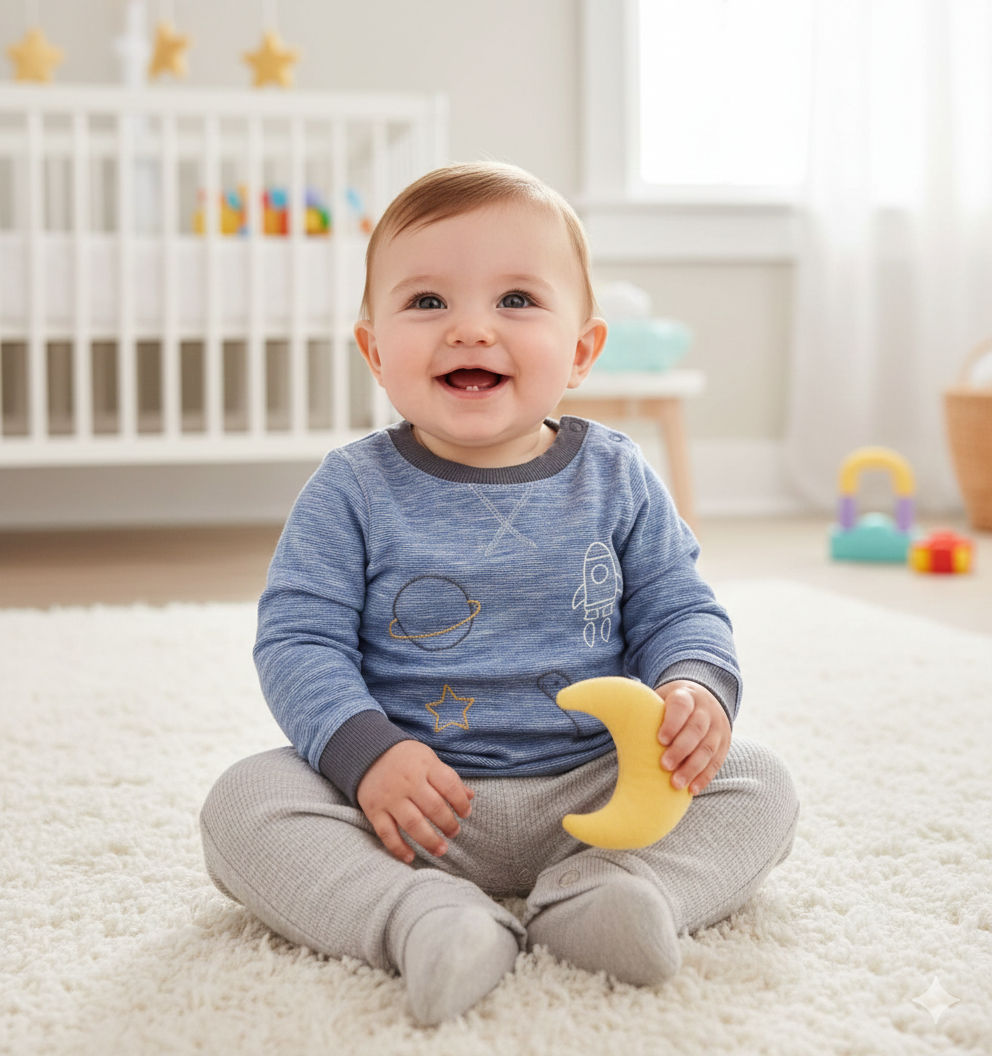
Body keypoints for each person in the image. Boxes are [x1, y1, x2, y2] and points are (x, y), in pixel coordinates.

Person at [199, 162, 799, 1026]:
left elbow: (678, 606)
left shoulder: (618, 475)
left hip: (599, 791)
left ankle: (615, 894)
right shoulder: (350, 490)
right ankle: (422, 917)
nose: (471, 329)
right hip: (410, 810)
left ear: (583, 351)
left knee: (758, 783)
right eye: (428, 303)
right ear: (374, 349)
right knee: (243, 806)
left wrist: (695, 686)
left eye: (516, 300)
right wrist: (367, 755)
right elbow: (299, 641)